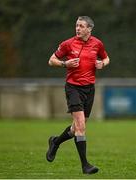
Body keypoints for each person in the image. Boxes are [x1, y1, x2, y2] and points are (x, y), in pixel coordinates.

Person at [46, 16, 110, 174]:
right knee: (81, 127)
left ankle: (55, 141)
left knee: (76, 129)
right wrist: (64, 63)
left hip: (89, 89)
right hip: (73, 88)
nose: (78, 28)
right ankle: (85, 166)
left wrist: (102, 63)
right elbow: (51, 60)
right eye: (77, 25)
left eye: (81, 26)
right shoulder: (68, 44)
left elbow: (106, 58)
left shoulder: (97, 43)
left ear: (90, 29)